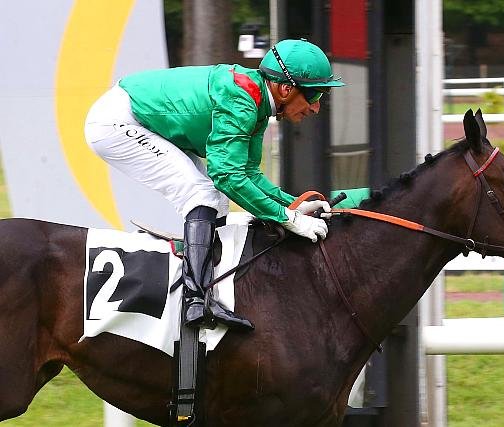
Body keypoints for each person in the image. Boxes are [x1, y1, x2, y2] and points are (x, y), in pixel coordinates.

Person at [84, 39, 345, 332]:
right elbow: (227, 177)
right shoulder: (242, 101)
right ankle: (196, 301)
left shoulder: (257, 100)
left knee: (216, 200)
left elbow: (247, 173)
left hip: (135, 115)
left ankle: (212, 293)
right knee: (202, 194)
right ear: (285, 89)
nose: (316, 107)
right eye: (314, 94)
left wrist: (292, 205)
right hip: (117, 123)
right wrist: (288, 219)